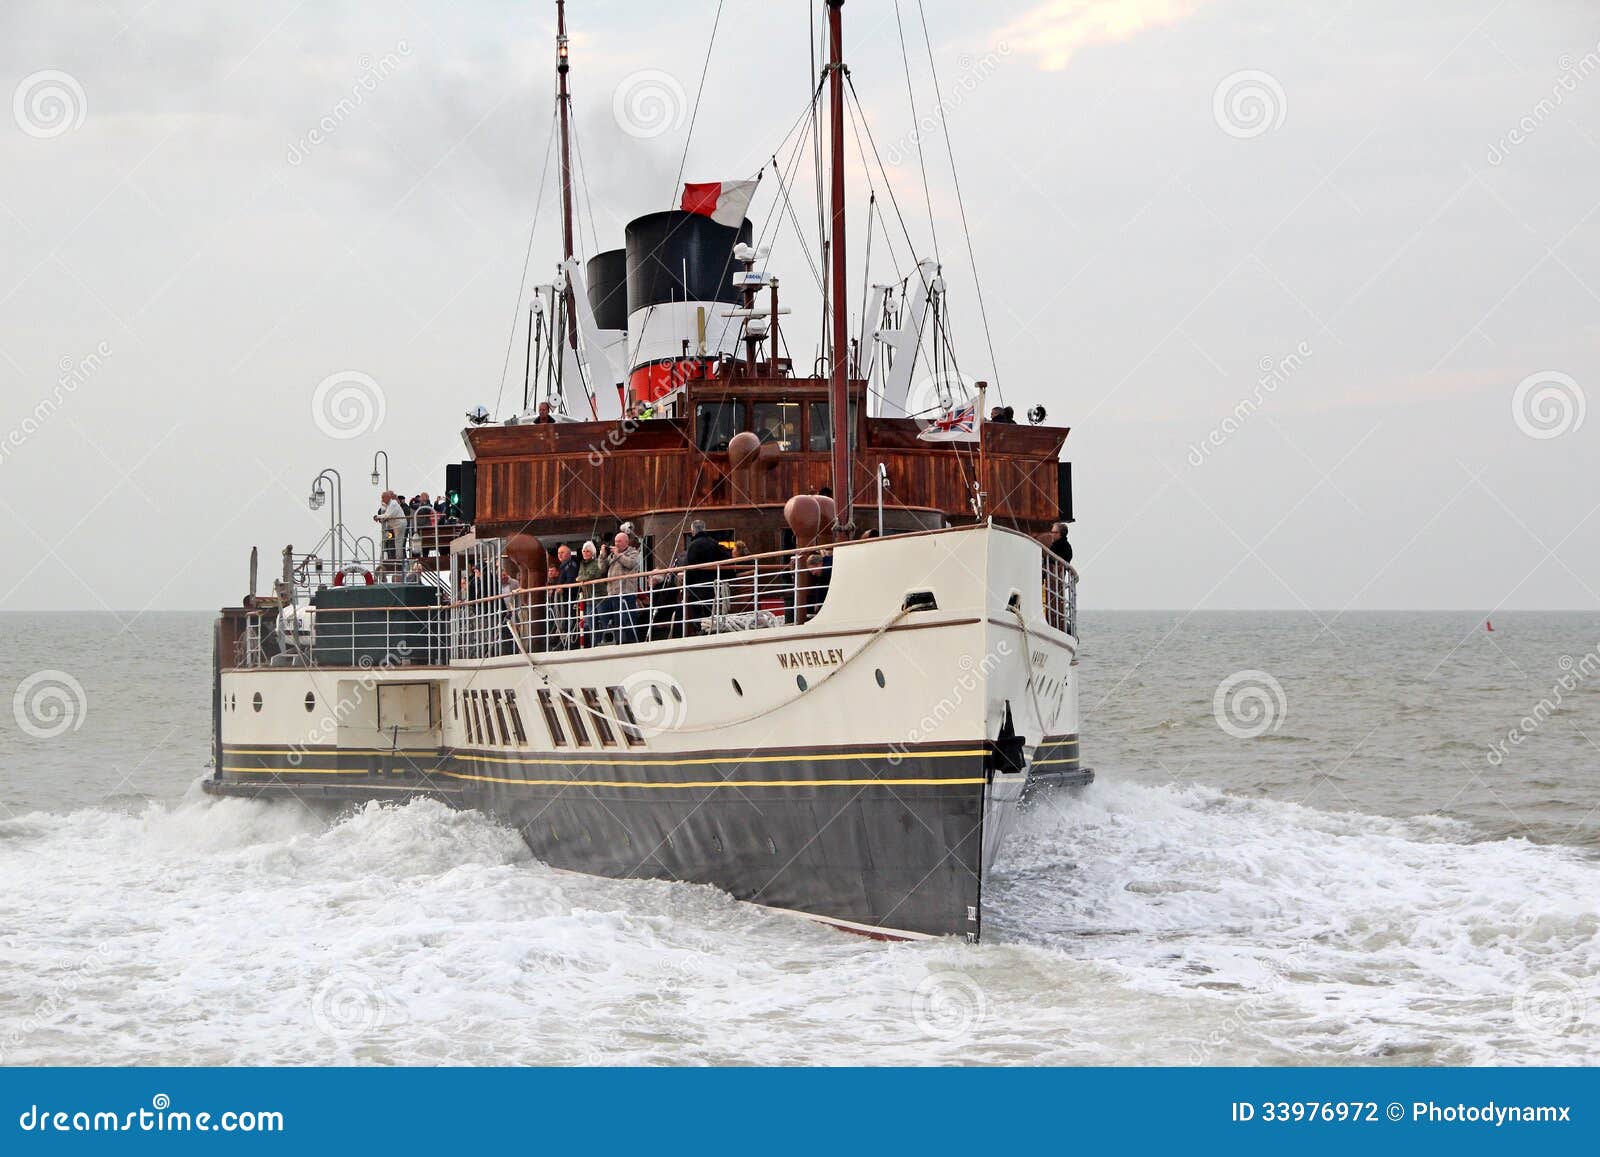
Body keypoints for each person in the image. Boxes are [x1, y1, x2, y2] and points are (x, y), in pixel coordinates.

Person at [682, 519, 730, 631]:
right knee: (711, 610)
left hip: (696, 586)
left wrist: (686, 584)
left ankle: (699, 629)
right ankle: (711, 629)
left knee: (696, 611)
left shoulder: (693, 546)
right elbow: (727, 558)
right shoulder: (713, 543)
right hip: (712, 585)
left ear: (693, 531)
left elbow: (688, 566)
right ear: (704, 529)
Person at [603, 531, 643, 644]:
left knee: (628, 617)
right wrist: (602, 556)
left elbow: (631, 564)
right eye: (615, 541)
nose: (616, 544)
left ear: (626, 541)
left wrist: (618, 555)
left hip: (627, 591)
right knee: (617, 619)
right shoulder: (612, 555)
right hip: (613, 592)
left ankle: (632, 641)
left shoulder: (633, 552)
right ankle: (619, 641)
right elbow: (602, 568)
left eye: (619, 541)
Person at [375, 490, 407, 566]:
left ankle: (399, 559)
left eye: (383, 498)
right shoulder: (389, 504)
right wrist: (383, 506)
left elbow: (388, 515)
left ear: (388, 497)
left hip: (399, 525)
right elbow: (383, 511)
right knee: (396, 542)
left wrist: (377, 516)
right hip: (396, 525)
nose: (382, 499)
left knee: (398, 542)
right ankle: (398, 557)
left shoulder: (393, 504)